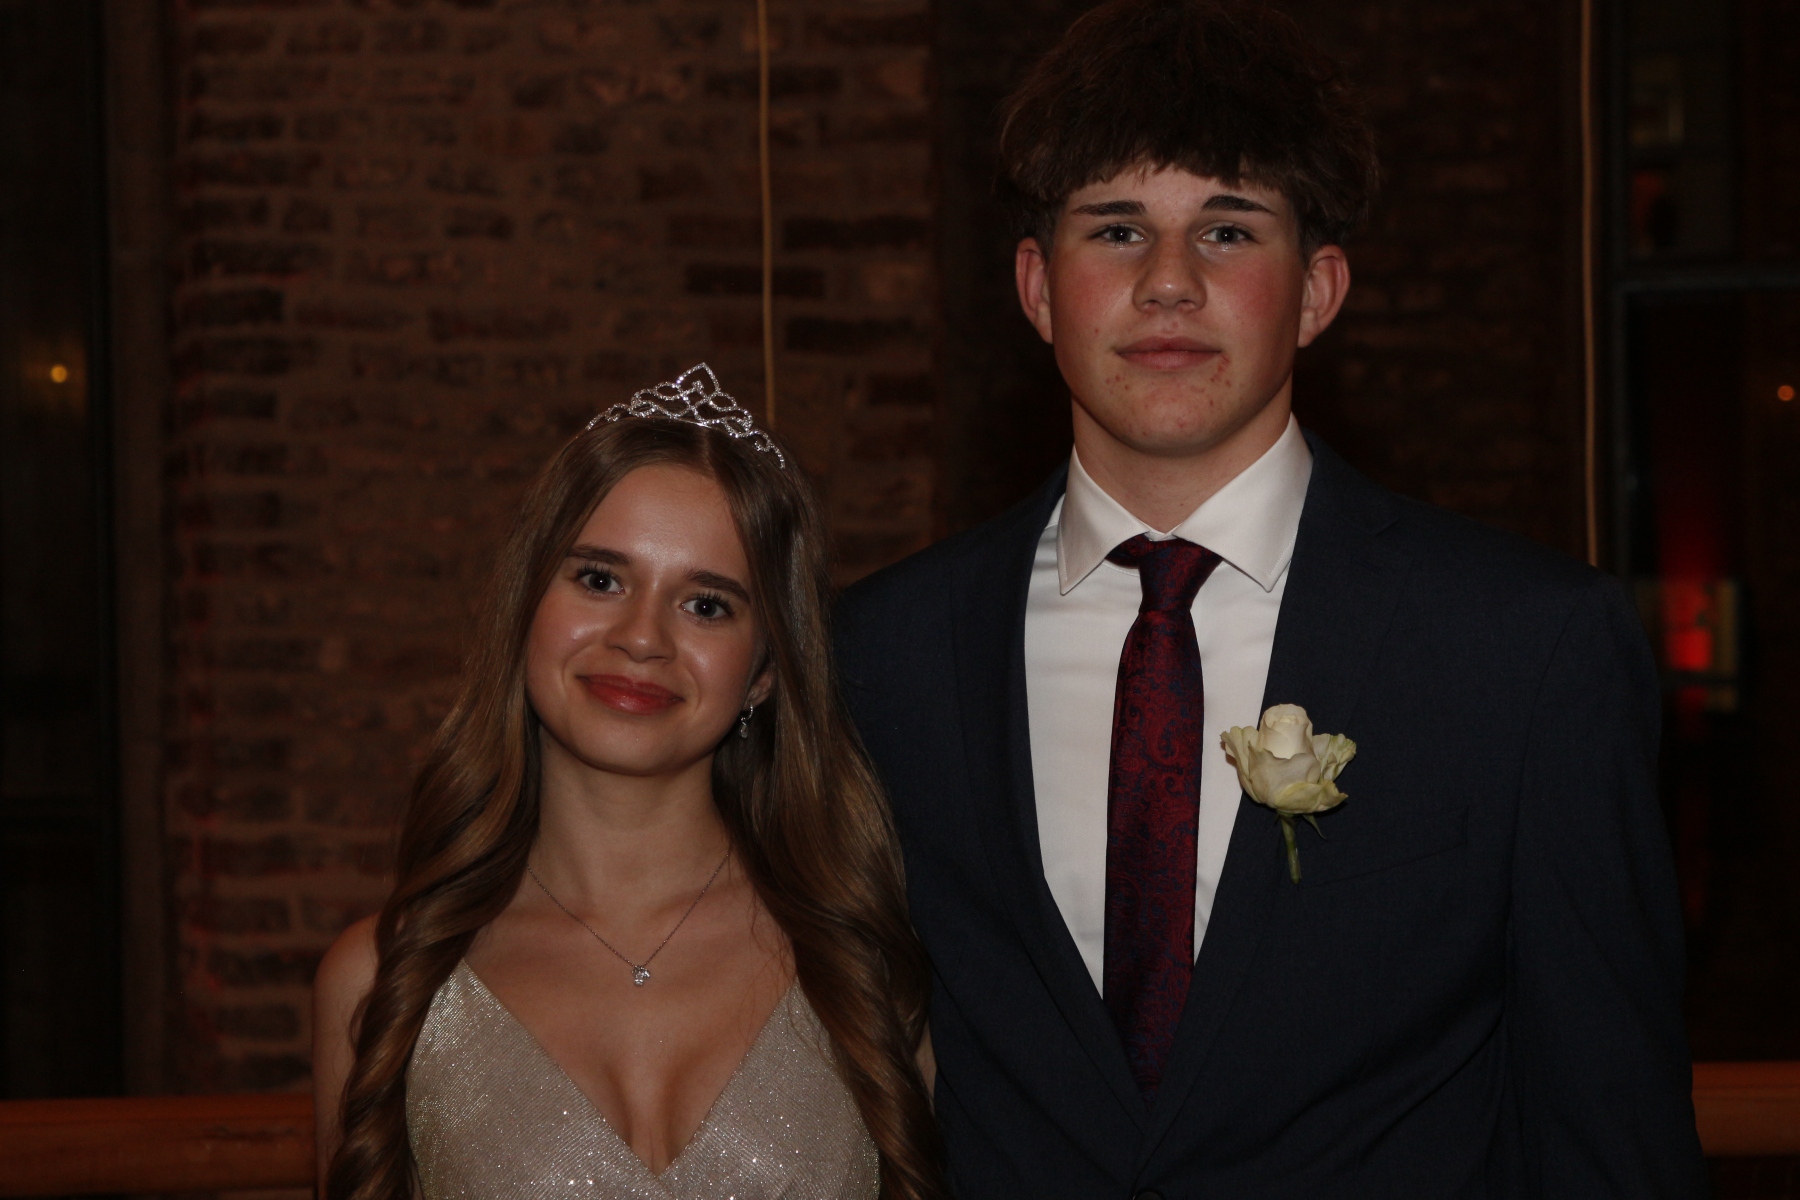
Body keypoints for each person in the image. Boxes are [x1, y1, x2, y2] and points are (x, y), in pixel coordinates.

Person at [835, 1, 1709, 1196]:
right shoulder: (885, 655)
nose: (1169, 282)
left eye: (1230, 230)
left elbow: (1613, 1136)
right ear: (1038, 288)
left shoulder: (1525, 650)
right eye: (1117, 229)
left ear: (1316, 291)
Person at [313, 366, 945, 1200]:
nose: (642, 637)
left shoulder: (868, 959)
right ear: (526, 608)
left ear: (764, 672)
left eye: (707, 605)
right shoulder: (384, 980)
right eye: (600, 579)